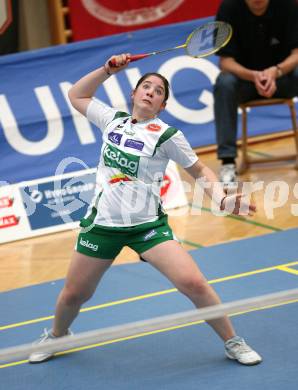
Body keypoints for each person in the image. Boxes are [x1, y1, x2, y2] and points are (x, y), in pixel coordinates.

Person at [29, 53, 262, 366]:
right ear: (134, 94)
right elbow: (77, 95)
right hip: (102, 225)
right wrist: (106, 70)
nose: (151, 91)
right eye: (146, 86)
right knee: (74, 295)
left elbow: (200, 171)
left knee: (193, 283)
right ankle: (58, 335)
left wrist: (221, 198)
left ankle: (232, 340)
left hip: (148, 227)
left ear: (162, 105)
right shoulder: (111, 120)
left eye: (159, 91)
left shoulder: (167, 136)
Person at [214, 0, 298, 185]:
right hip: (246, 83)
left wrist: (275, 72)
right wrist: (254, 76)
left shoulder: (289, 5)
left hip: (283, 78)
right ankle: (228, 162)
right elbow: (225, 62)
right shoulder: (228, 8)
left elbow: (297, 53)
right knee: (224, 83)